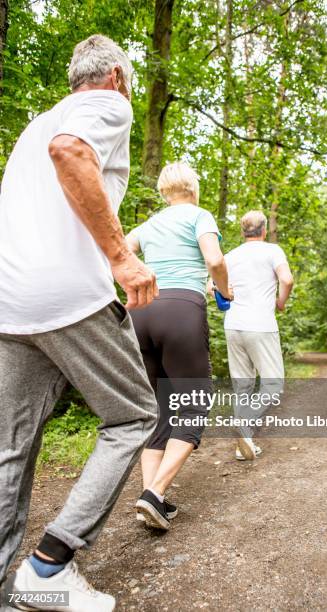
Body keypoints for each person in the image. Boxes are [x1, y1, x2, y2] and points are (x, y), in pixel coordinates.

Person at [0, 35, 159, 611]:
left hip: (10, 301)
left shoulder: (33, 126)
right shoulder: (105, 104)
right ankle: (47, 569)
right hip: (68, 296)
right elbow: (71, 150)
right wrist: (120, 255)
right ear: (116, 74)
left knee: (9, 447)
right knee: (134, 415)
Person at [126, 161, 232, 531]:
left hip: (141, 313)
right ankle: (154, 494)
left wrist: (133, 286)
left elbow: (119, 252)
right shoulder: (199, 215)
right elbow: (215, 259)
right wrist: (223, 287)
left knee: (160, 409)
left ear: (162, 192)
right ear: (194, 187)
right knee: (194, 403)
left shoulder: (149, 224)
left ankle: (150, 497)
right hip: (180, 311)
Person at [221, 210, 294, 461]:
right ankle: (244, 424)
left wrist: (226, 294)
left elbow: (212, 286)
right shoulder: (272, 251)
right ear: (263, 230)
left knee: (243, 385)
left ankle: (244, 446)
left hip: (233, 326)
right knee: (273, 384)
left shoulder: (230, 256)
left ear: (243, 232)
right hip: (260, 326)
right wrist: (280, 302)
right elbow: (287, 279)